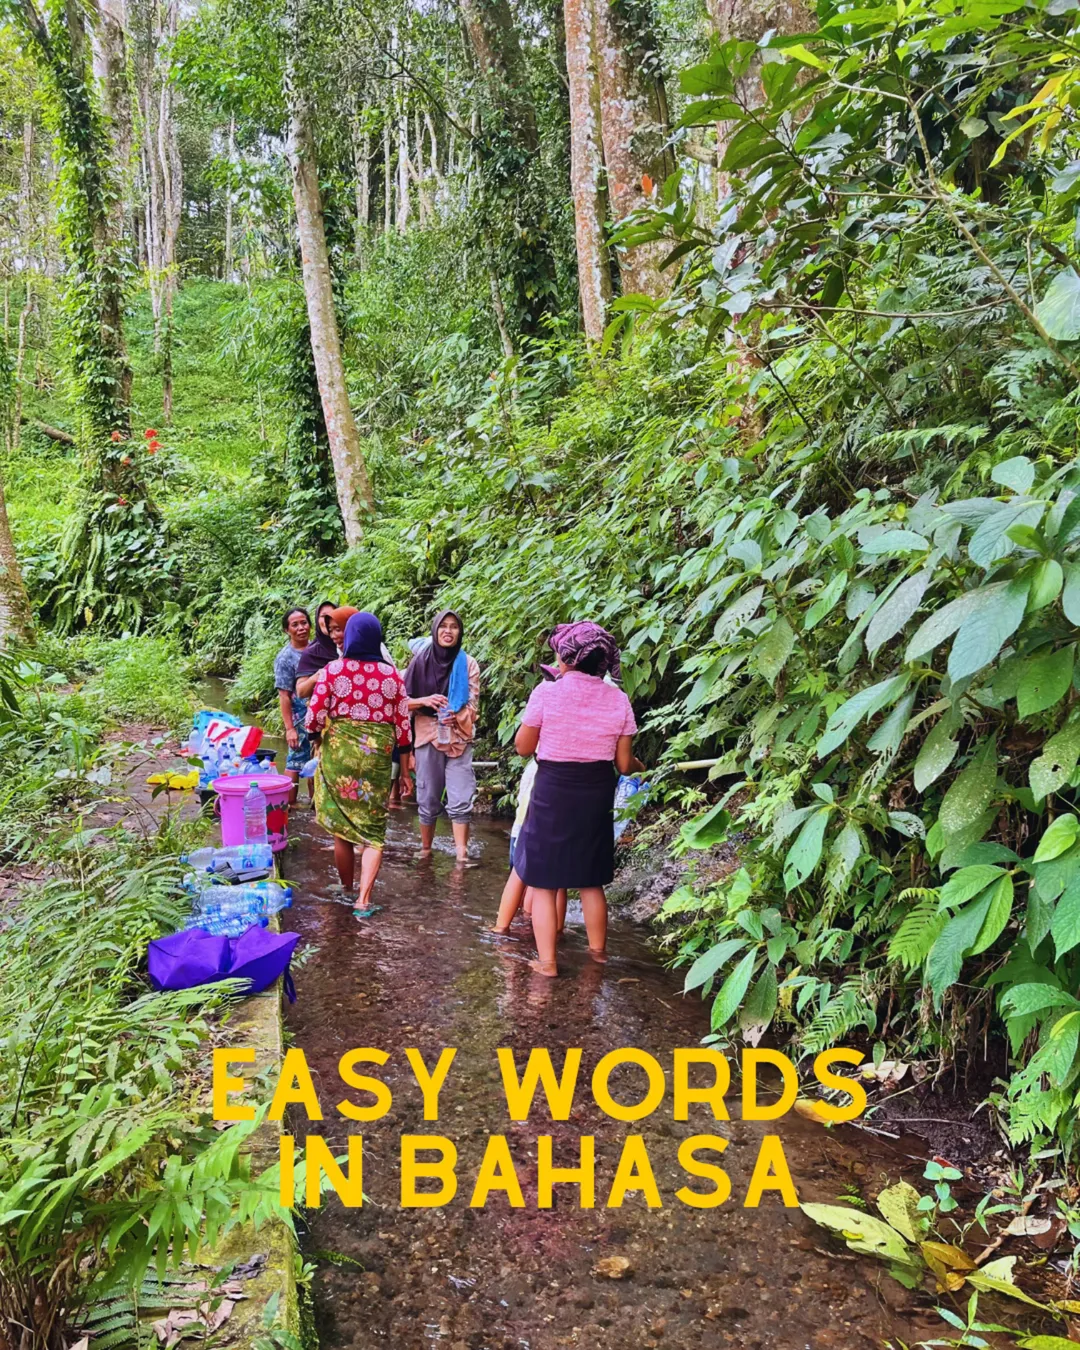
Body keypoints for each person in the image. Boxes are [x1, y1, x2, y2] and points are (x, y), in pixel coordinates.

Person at [513, 622, 640, 977]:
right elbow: (624, 764)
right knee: (590, 879)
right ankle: (598, 955)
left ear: (567, 658)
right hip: (597, 790)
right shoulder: (618, 699)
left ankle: (548, 963)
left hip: (553, 788)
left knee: (544, 880)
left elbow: (523, 747)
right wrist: (642, 765)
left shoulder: (546, 692)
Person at [304, 612, 412, 917]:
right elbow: (404, 729)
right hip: (376, 761)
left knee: (342, 828)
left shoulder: (333, 671)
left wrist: (316, 738)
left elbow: (313, 717)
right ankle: (364, 899)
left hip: (339, 757)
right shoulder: (392, 676)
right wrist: (405, 771)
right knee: (373, 831)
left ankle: (347, 887)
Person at [404, 609, 480, 862]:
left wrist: (456, 715)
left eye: (454, 627)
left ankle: (461, 855)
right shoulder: (419, 663)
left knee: (461, 796)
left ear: (460, 632)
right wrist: (425, 700)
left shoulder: (468, 664)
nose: (448, 631)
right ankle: (426, 849)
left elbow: (473, 706)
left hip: (459, 736)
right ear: (435, 630)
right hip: (427, 734)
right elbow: (401, 703)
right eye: (443, 626)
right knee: (428, 795)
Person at [274, 607, 313, 804]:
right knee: (295, 761)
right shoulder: (285, 658)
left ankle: (316, 809)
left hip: (320, 716)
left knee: (317, 762)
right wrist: (289, 729)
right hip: (299, 718)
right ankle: (289, 808)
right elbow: (284, 695)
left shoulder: (318, 650)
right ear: (286, 630)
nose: (301, 628)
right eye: (295, 625)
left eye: (304, 623)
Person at [296, 605, 358, 701]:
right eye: (323, 616)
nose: (327, 619)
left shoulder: (355, 645)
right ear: (317, 620)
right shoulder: (312, 653)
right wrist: (322, 674)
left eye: (332, 614)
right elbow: (300, 691)